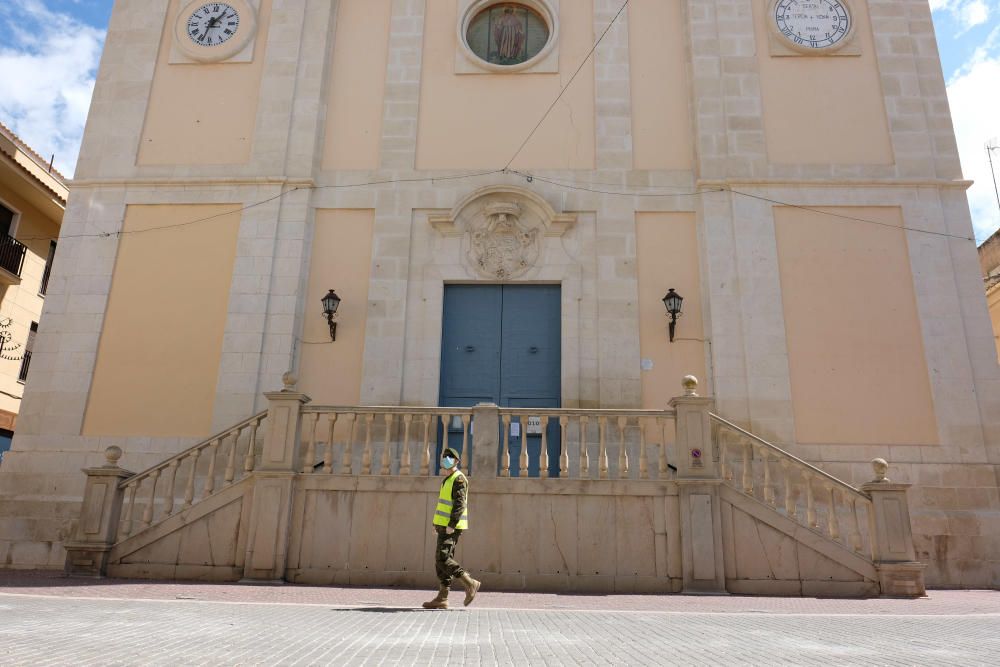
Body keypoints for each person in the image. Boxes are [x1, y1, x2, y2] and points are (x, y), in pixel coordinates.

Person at [422, 447, 480, 609]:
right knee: (440, 561)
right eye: (444, 457)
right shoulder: (448, 479)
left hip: (451, 526)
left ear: (456, 461)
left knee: (443, 558)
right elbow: (443, 505)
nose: (445, 459)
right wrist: (436, 524)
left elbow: (459, 504)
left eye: (449, 457)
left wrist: (451, 525)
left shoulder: (459, 479)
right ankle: (442, 597)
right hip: (443, 525)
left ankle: (470, 583)